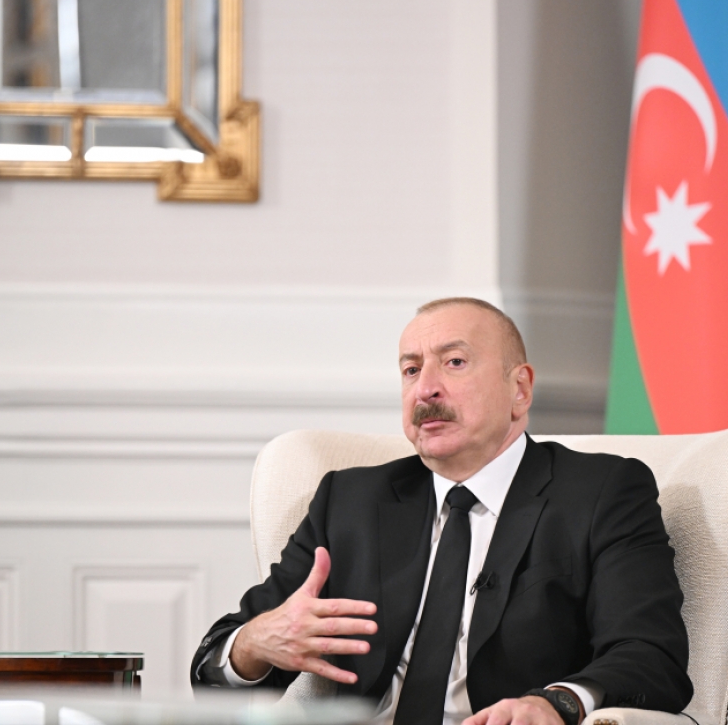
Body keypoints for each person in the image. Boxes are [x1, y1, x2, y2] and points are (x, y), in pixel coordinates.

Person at [190, 298, 692, 725]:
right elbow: (215, 670)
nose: (424, 389)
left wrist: (555, 702)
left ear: (519, 389)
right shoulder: (351, 501)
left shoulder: (601, 492)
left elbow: (650, 656)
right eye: (411, 370)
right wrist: (254, 643)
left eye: (454, 362)